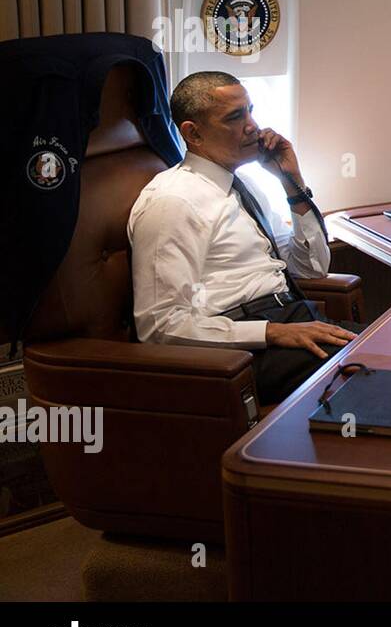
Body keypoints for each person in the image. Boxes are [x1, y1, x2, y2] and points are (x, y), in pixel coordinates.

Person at [128, 70, 363, 404]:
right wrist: (272, 332)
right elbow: (161, 326)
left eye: (251, 111)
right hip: (239, 350)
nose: (253, 126)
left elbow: (310, 271)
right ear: (193, 133)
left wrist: (291, 183)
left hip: (293, 317)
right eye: (235, 117)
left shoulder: (242, 187)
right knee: (374, 370)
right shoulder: (173, 201)